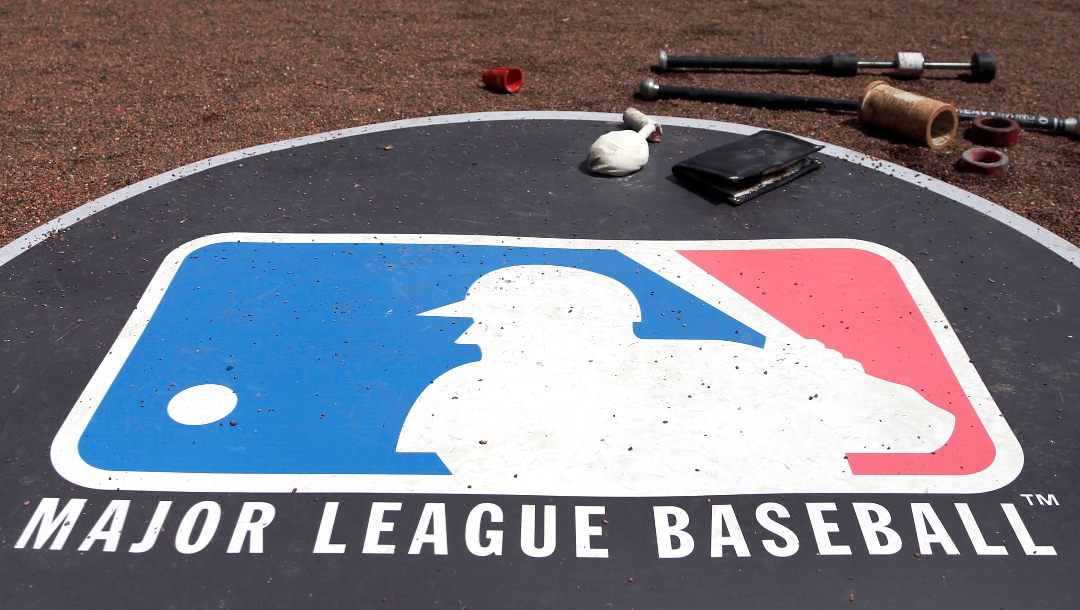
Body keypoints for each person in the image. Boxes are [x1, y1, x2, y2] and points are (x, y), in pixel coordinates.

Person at [396, 265, 955, 495]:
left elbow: (924, 432)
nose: (471, 338)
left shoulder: (733, 366)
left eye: (492, 323)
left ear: (568, 326)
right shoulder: (465, 393)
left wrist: (843, 385)